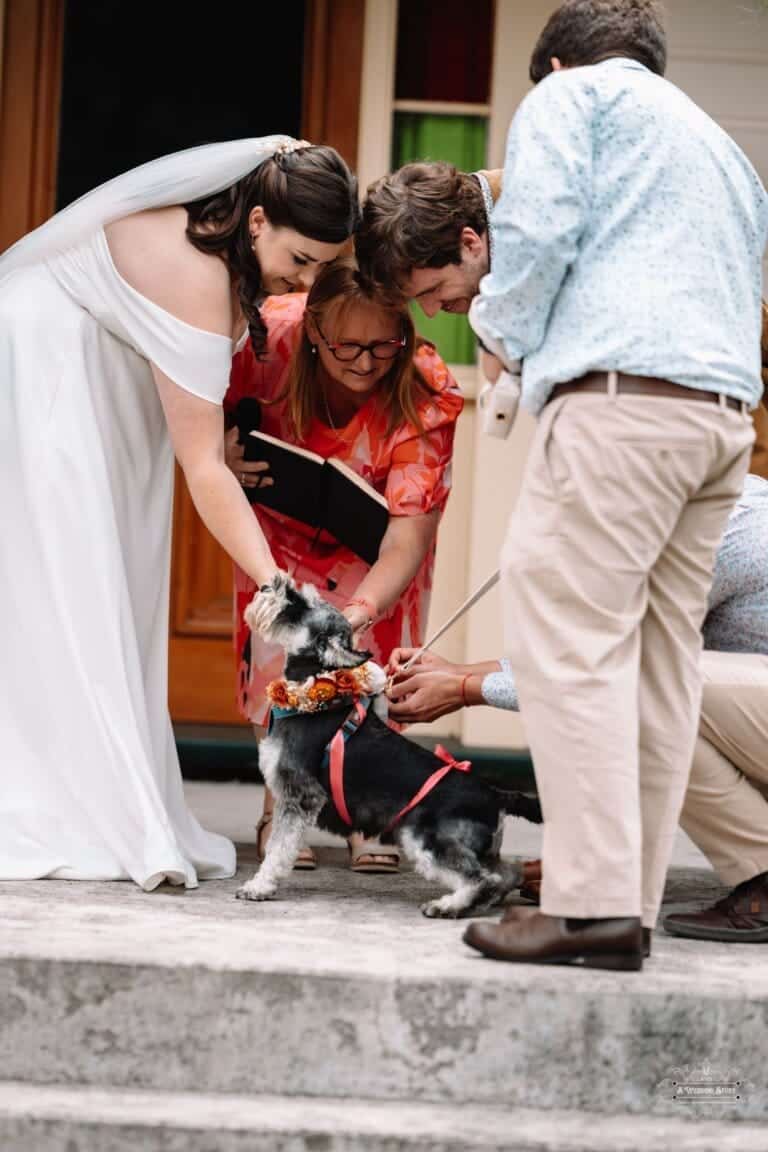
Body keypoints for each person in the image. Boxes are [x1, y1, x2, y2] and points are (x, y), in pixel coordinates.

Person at [386, 0, 766, 970]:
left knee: (566, 647)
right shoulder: (719, 146)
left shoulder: (569, 99)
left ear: (553, 62)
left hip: (622, 404)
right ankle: (623, 904)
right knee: (655, 662)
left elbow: (538, 230)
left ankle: (595, 904)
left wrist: (504, 347)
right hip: (722, 421)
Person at [0, 138, 359, 890]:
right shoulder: (197, 274)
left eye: (325, 265)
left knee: (110, 582)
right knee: (67, 582)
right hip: (42, 368)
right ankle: (54, 802)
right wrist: (278, 587)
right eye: (301, 259)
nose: (308, 280)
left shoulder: (226, 239)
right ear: (257, 222)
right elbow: (203, 467)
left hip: (99, 371)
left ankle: (95, 785)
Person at [388, 474, 768, 944]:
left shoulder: (716, 532)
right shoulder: (688, 506)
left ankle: (762, 872)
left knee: (647, 687)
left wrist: (466, 687)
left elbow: (603, 674)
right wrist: (457, 672)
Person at [223, 258, 463, 871]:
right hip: (277, 523)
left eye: (384, 346)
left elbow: (407, 539)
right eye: (347, 347)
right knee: (281, 642)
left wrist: (361, 606)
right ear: (312, 334)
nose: (364, 362)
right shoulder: (261, 338)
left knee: (369, 653)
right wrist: (219, 448)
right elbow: (193, 412)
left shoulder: (423, 388)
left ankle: (367, 807)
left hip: (378, 543)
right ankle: (285, 803)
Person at [357, 160, 768, 480]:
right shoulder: (493, 236)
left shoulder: (549, 221)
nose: (431, 309)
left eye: (433, 290)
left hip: (725, 390)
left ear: (470, 242)